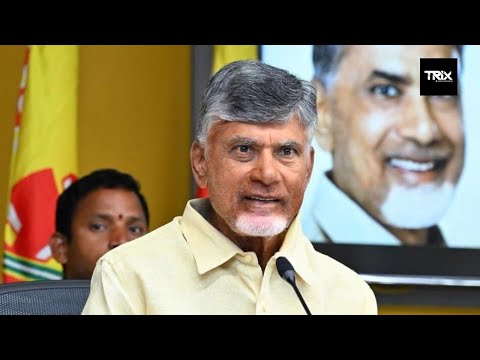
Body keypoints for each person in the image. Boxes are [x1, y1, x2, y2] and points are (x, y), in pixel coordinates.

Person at [82, 60, 377, 315]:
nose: (267, 174)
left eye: (286, 152)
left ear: (309, 166)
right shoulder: (129, 273)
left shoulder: (349, 294)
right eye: (244, 149)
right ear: (201, 163)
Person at [300, 45, 465, 246]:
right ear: (322, 114)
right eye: (386, 91)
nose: (425, 132)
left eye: (441, 90)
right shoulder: (280, 270)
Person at [49, 168, 150, 280]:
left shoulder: (169, 297)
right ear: (61, 248)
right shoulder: (29, 298)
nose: (122, 241)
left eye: (134, 229)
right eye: (98, 227)